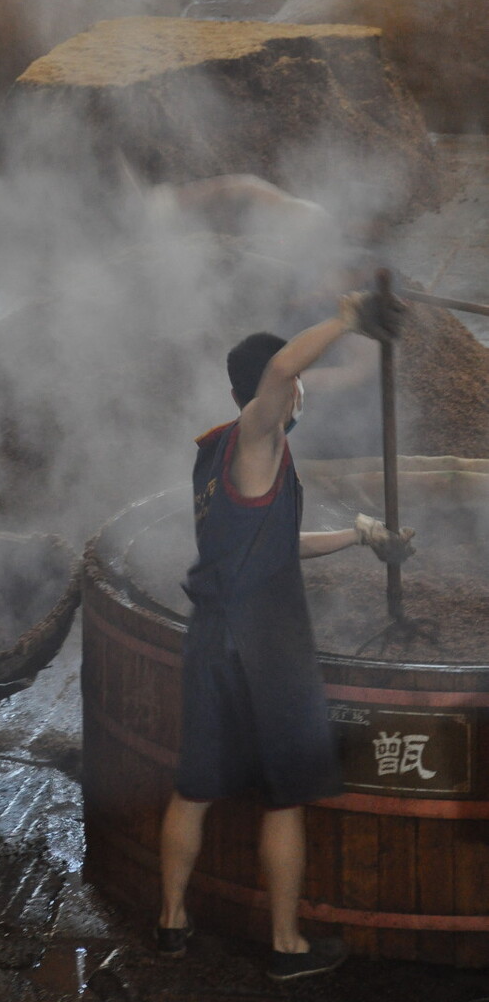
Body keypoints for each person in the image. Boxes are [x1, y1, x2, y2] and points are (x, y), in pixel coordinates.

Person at [156, 288, 415, 983]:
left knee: (194, 789)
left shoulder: (218, 458)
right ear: (275, 390)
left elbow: (272, 543)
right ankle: (285, 945)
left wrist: (357, 537)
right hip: (263, 645)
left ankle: (171, 922)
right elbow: (275, 375)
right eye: (295, 381)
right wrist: (345, 320)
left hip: (210, 636)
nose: (300, 391)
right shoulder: (255, 432)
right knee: (283, 798)